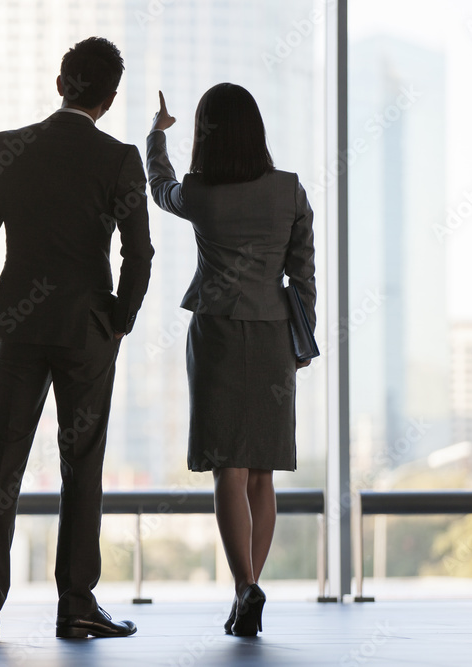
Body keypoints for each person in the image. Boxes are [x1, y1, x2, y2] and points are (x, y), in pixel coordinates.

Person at [0, 36, 153, 640]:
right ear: (111, 97)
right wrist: (119, 318)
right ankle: (75, 604)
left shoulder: (8, 148)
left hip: (19, 327)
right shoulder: (120, 159)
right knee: (82, 466)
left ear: (61, 81)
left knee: (5, 463)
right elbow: (138, 252)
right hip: (87, 331)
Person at [146, 84, 315, 637]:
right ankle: (250, 587)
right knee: (262, 471)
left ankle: (245, 588)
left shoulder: (201, 193)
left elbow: (160, 189)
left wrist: (156, 136)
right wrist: (302, 330)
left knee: (228, 466)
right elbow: (303, 271)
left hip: (217, 330)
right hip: (271, 334)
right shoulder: (289, 192)